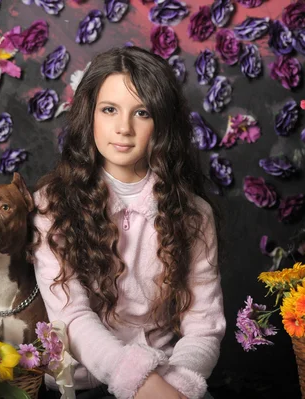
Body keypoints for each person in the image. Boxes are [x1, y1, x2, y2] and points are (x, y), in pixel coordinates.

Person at [31, 46, 226, 399]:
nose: (123, 128)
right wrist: (144, 385)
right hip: (84, 383)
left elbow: (204, 325)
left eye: (142, 112)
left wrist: (177, 386)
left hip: (170, 375)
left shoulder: (194, 214)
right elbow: (72, 317)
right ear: (90, 115)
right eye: (110, 110)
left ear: (162, 123)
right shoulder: (52, 206)